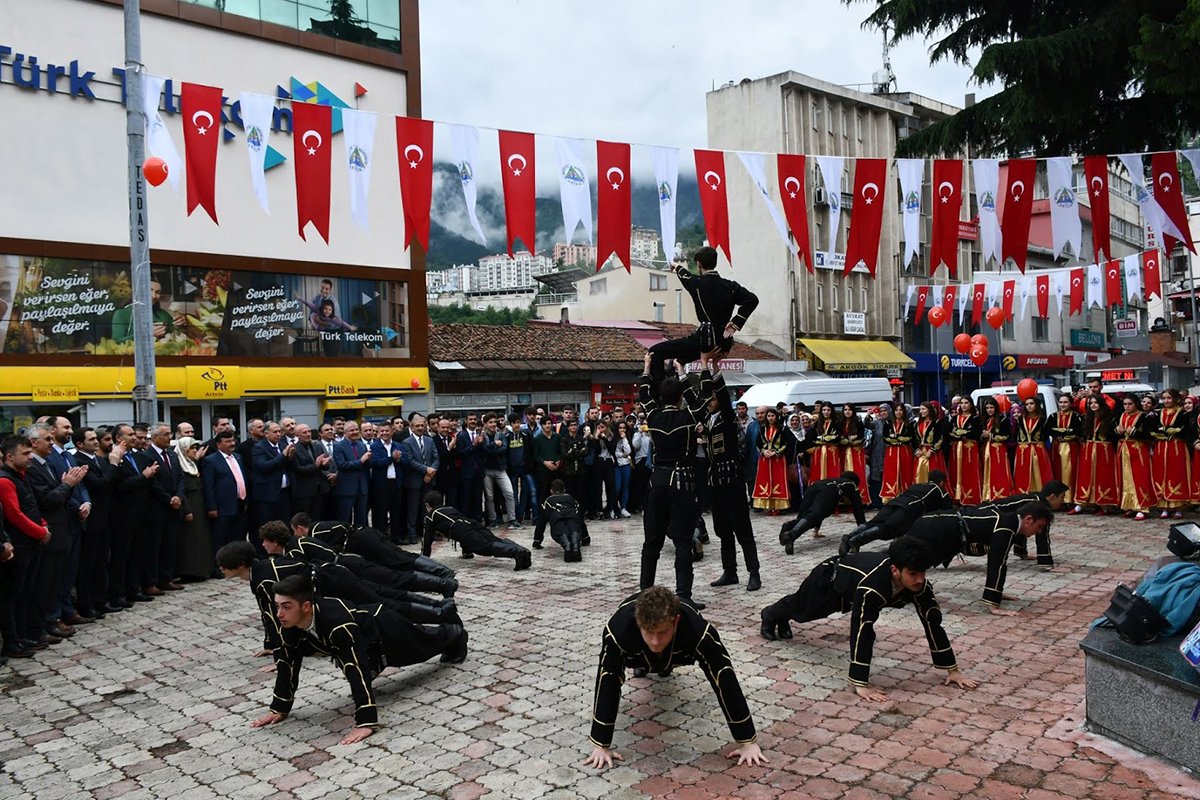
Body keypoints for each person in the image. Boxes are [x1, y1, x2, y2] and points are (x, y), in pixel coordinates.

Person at [251, 574, 467, 745]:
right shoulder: (289, 624)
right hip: (366, 641)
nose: (279, 613)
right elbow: (287, 664)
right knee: (414, 644)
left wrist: (365, 721)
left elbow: (355, 667)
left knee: (423, 645)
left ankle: (455, 631)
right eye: (277, 606)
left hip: (384, 628)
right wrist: (279, 707)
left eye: (286, 606)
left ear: (306, 606)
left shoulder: (337, 625)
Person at [758, 537, 976, 703]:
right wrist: (860, 683)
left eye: (923, 573)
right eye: (913, 574)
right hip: (830, 580)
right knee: (802, 611)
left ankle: (781, 618)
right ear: (895, 570)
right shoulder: (872, 586)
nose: (920, 579)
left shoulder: (920, 585)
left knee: (801, 611)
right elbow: (862, 628)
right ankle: (769, 615)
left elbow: (932, 622)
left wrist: (952, 670)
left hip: (851, 588)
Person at [584, 586, 767, 770]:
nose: (655, 640)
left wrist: (748, 742)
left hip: (679, 648)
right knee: (632, 667)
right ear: (638, 623)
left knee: (673, 665)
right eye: (649, 632)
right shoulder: (618, 631)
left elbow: (724, 677)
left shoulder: (698, 631)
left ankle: (663, 665)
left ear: (676, 621)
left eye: (662, 632)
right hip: (637, 650)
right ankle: (648, 665)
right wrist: (601, 744)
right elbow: (607, 681)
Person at [637, 351, 712, 609]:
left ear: (661, 397)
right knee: (682, 541)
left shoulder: (654, 417)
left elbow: (644, 394)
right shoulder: (688, 417)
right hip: (682, 481)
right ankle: (684, 596)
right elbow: (702, 399)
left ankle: (644, 593)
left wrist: (647, 366)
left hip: (657, 481)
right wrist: (684, 372)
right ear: (679, 396)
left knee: (652, 542)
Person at [906, 501, 1054, 614]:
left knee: (912, 561)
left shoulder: (1010, 522)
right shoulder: (1006, 527)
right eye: (1039, 526)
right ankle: (895, 589)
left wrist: (997, 593)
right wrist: (993, 604)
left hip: (942, 525)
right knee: (909, 561)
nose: (1039, 531)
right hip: (937, 527)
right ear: (1028, 520)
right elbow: (997, 563)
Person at [647, 245, 759, 385]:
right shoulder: (730, 286)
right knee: (677, 362)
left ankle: (662, 396)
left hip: (704, 340)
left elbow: (685, 275)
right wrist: (734, 324)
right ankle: (678, 376)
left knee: (655, 352)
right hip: (723, 342)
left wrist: (676, 266)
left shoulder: (697, 284)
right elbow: (752, 300)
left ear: (699, 264)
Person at [704, 364, 761, 592]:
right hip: (716, 481)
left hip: (733, 481)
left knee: (742, 530)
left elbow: (724, 398)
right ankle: (730, 571)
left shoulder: (727, 417)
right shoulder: (708, 419)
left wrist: (715, 369)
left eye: (712, 397)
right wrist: (680, 370)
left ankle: (754, 572)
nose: (708, 401)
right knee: (722, 529)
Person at [839, 471, 953, 555]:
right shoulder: (941, 491)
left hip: (895, 502)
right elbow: (949, 512)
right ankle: (855, 541)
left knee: (875, 521)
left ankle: (850, 536)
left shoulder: (918, 485)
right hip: (910, 507)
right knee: (887, 528)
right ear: (942, 482)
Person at [421, 491, 532, 570]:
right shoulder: (449, 508)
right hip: (472, 523)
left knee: (486, 547)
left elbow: (427, 538)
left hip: (462, 529)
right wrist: (467, 552)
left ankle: (517, 552)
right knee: (493, 540)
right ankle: (522, 551)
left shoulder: (431, 515)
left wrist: (424, 560)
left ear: (427, 504)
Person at [983, 480, 1068, 567]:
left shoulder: (1038, 499)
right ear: (1053, 496)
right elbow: (1042, 535)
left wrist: (1022, 552)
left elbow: (1021, 525)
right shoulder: (1040, 506)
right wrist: (1046, 563)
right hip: (988, 513)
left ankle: (1020, 551)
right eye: (1062, 497)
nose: (1063, 501)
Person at [778, 473, 866, 553]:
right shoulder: (851, 485)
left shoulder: (831, 480)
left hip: (813, 487)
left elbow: (820, 513)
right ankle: (791, 534)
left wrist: (816, 531)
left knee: (807, 515)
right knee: (813, 516)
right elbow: (858, 508)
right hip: (827, 491)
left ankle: (789, 529)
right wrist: (862, 526)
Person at [201, 431, 248, 564]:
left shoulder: (238, 457)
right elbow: (208, 487)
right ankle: (218, 566)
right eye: (227, 441)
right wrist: (212, 507)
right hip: (222, 506)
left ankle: (235, 563)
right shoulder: (211, 461)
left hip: (239, 503)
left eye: (233, 440)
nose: (232, 444)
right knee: (220, 538)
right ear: (218, 444)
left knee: (237, 536)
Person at [173, 436, 212, 581]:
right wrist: (187, 510)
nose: (194, 451)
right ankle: (188, 571)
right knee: (188, 540)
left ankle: (200, 570)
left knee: (200, 538)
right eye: (192, 448)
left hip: (199, 505)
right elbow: (182, 490)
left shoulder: (193, 464)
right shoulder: (180, 466)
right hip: (189, 505)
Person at [1151, 388, 1194, 519]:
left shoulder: (1184, 414)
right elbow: (1153, 429)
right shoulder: (1158, 413)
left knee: (1177, 474)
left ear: (1176, 399)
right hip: (1162, 447)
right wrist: (1165, 431)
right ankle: (1164, 505)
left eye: (1169, 398)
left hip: (1177, 447)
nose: (1166, 401)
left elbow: (1184, 430)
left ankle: (1179, 506)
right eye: (1164, 398)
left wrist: (1167, 430)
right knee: (1161, 474)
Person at [1114, 394, 1158, 520]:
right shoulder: (1121, 416)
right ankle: (1129, 505)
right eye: (1125, 404)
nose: (1127, 407)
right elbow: (1113, 432)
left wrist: (1135, 432)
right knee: (1126, 478)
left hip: (1138, 450)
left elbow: (1150, 434)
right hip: (1123, 449)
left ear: (1136, 404)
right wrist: (1118, 430)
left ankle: (1142, 506)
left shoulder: (1144, 417)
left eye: (1130, 404)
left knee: (1140, 477)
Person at [397, 414, 438, 546]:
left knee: (427, 509)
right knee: (413, 510)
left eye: (422, 425)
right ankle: (412, 535)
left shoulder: (429, 440)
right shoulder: (406, 442)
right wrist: (426, 470)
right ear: (411, 427)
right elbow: (410, 461)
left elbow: (436, 458)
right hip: (414, 481)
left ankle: (428, 533)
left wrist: (431, 472)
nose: (420, 428)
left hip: (429, 480)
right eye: (417, 426)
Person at [1075, 394, 1118, 514]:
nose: (1093, 405)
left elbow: (1113, 436)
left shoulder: (1109, 418)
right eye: (1090, 403)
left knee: (1102, 476)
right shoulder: (1087, 418)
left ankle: (1104, 503)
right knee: (1086, 475)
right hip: (1088, 449)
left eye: (1095, 403)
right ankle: (1083, 502)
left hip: (1103, 450)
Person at [531, 479, 589, 561]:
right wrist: (585, 538)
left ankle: (567, 546)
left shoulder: (548, 501)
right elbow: (579, 519)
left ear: (551, 491)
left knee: (560, 530)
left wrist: (537, 540)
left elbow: (541, 522)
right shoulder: (570, 498)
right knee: (574, 528)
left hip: (557, 518)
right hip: (572, 516)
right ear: (564, 490)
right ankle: (575, 546)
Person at [751, 408, 790, 514]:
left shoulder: (783, 429)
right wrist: (763, 452)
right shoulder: (762, 429)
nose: (770, 418)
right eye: (768, 416)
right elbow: (758, 443)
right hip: (765, 459)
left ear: (776, 417)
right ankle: (768, 505)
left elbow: (786, 443)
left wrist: (776, 452)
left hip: (778, 459)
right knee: (765, 480)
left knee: (778, 480)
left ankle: (779, 506)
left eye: (772, 416)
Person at [333, 421, 371, 525]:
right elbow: (342, 465)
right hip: (346, 488)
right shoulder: (338, 446)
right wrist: (361, 461)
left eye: (356, 430)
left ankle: (360, 539)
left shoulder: (362, 445)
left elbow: (366, 466)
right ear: (345, 432)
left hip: (362, 488)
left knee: (362, 517)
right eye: (352, 430)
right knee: (345, 518)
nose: (355, 432)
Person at [1047, 393, 1083, 506]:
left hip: (1072, 448)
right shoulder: (1053, 416)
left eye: (1065, 402)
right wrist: (1066, 431)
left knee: (1071, 472)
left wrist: (1059, 431)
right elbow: (1048, 430)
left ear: (1071, 403)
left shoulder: (1076, 416)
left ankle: (1071, 499)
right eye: (1061, 402)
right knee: (1057, 472)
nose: (1063, 404)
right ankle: (1058, 500)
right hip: (1056, 448)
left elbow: (1077, 430)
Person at [947, 396, 983, 505]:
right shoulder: (954, 418)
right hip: (956, 448)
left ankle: (970, 496)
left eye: (966, 403)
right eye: (961, 403)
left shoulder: (975, 419)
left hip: (969, 449)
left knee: (969, 471)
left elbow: (975, 433)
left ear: (971, 404)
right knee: (955, 470)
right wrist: (962, 433)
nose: (963, 405)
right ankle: (956, 496)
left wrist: (960, 433)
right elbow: (950, 432)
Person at [1013, 396, 1052, 494]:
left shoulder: (1043, 420)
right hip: (1023, 450)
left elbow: (1046, 435)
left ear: (1036, 405)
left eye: (1031, 404)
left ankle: (1041, 493)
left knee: (1040, 472)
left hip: (1038, 449)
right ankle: (1024, 494)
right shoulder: (1020, 419)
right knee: (1023, 474)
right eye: (1027, 404)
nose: (1029, 406)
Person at [879, 401, 915, 504]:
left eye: (900, 410)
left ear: (904, 411)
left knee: (905, 472)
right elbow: (885, 438)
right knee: (891, 472)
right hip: (891, 452)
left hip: (904, 451)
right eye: (896, 410)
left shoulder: (909, 423)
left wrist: (896, 438)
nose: (898, 412)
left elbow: (909, 437)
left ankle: (905, 494)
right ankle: (890, 496)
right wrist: (898, 439)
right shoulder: (888, 423)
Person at [979, 397, 1014, 502]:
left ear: (996, 408)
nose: (989, 410)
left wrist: (990, 435)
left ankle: (1001, 494)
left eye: (991, 407)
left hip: (999, 450)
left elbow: (1006, 436)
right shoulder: (984, 420)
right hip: (986, 449)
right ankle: (987, 495)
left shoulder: (1003, 420)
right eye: (987, 408)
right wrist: (983, 436)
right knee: (987, 471)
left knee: (999, 471)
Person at [839, 404, 871, 505]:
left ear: (853, 411)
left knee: (857, 473)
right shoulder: (840, 422)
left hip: (856, 451)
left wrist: (852, 439)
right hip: (843, 451)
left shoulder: (858, 422)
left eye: (849, 410)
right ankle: (844, 500)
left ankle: (860, 499)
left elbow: (862, 437)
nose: (847, 411)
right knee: (843, 472)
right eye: (845, 409)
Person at [912, 402, 947, 485]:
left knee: (932, 473)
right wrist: (916, 450)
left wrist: (931, 450)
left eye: (923, 409)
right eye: (920, 409)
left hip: (933, 453)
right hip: (921, 452)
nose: (921, 411)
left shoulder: (936, 423)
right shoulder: (917, 424)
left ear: (929, 410)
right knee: (919, 473)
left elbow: (940, 438)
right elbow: (914, 439)